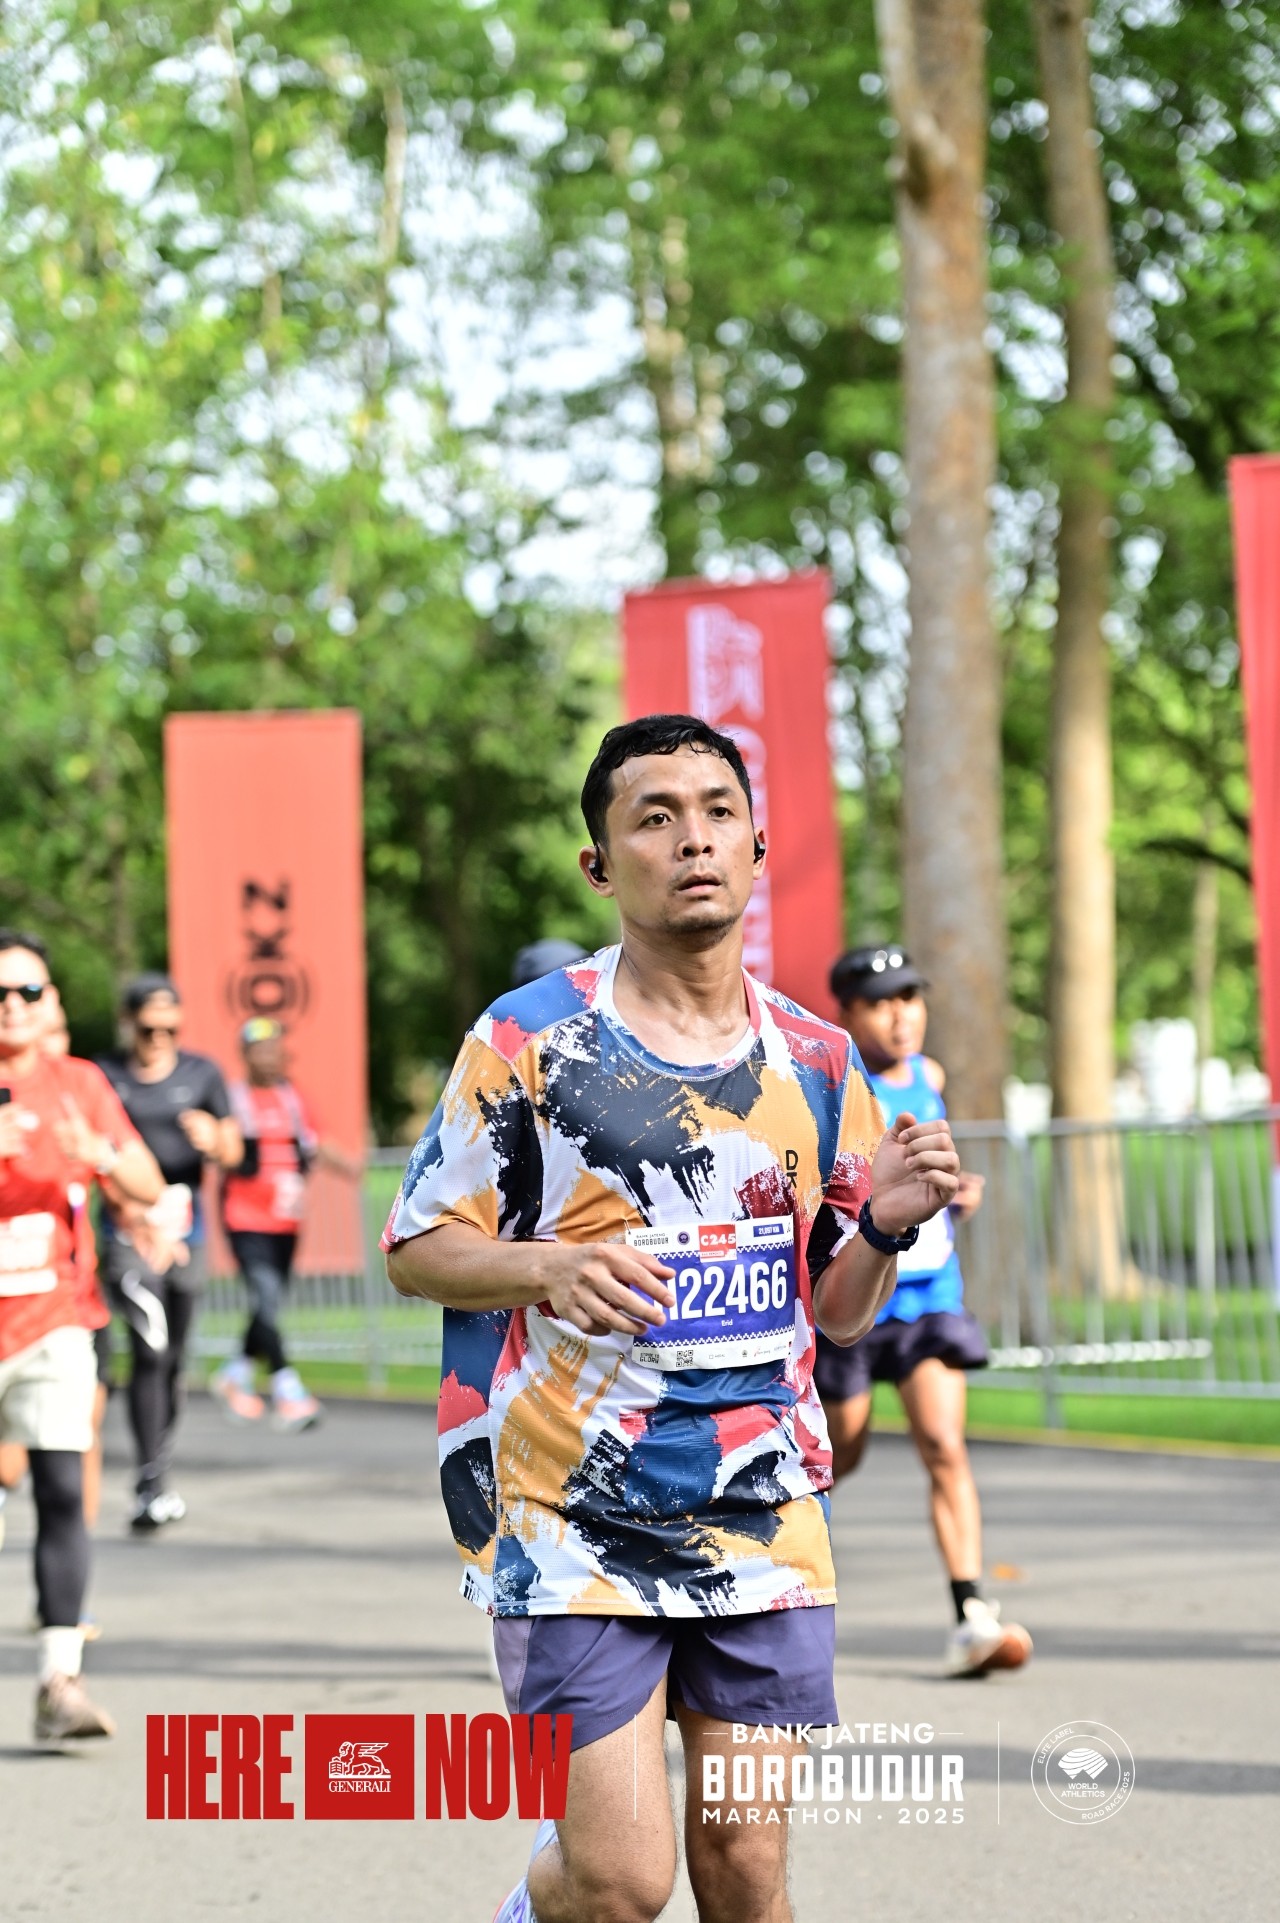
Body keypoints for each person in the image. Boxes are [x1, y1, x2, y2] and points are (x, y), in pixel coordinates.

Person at [386, 715, 960, 1923]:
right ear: (600, 866)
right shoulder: (528, 1039)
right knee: (618, 1883)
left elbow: (835, 1316)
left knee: (746, 1873)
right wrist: (545, 1269)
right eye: (653, 818)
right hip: (569, 1516)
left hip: (760, 1515)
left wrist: (882, 1227)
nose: (691, 839)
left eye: (714, 811)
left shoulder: (815, 1058)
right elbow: (417, 1247)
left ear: (757, 845)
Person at [813, 944, 1032, 1678]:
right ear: (848, 1013)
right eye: (881, 1002)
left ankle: (972, 1614)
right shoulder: (832, 1085)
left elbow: (926, 1175)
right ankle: (777, 1579)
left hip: (929, 1296)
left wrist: (954, 1195)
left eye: (909, 997)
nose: (901, 1015)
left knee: (944, 1443)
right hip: (854, 1300)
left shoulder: (928, 1077)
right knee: (837, 1453)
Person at [0, 928, 163, 1740]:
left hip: (55, 1318)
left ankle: (58, 1680)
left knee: (62, 1488)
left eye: (28, 990)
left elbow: (146, 1181)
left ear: (51, 1001)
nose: (13, 1005)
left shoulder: (79, 1084)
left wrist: (96, 1151)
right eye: (0, 993)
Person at [97, 973, 242, 1531]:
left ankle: (158, 1470)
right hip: (127, 1229)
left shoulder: (202, 1073)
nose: (159, 1039)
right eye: (148, 1029)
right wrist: (135, 1218)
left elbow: (233, 1149)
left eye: (169, 1029)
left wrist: (214, 1139)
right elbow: (99, 1156)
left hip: (186, 1230)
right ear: (127, 1022)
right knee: (149, 1349)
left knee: (173, 1356)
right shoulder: (105, 1075)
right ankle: (148, 1484)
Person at [211, 1018, 361, 1432]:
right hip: (244, 1217)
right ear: (246, 1055)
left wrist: (349, 1166)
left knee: (270, 1303)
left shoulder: (292, 1098)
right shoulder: (233, 1099)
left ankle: (237, 1371)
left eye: (275, 1048)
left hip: (286, 1221)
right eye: (261, 1049)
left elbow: (317, 1141)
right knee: (264, 1294)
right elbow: (219, 1145)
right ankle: (286, 1387)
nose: (270, 1056)